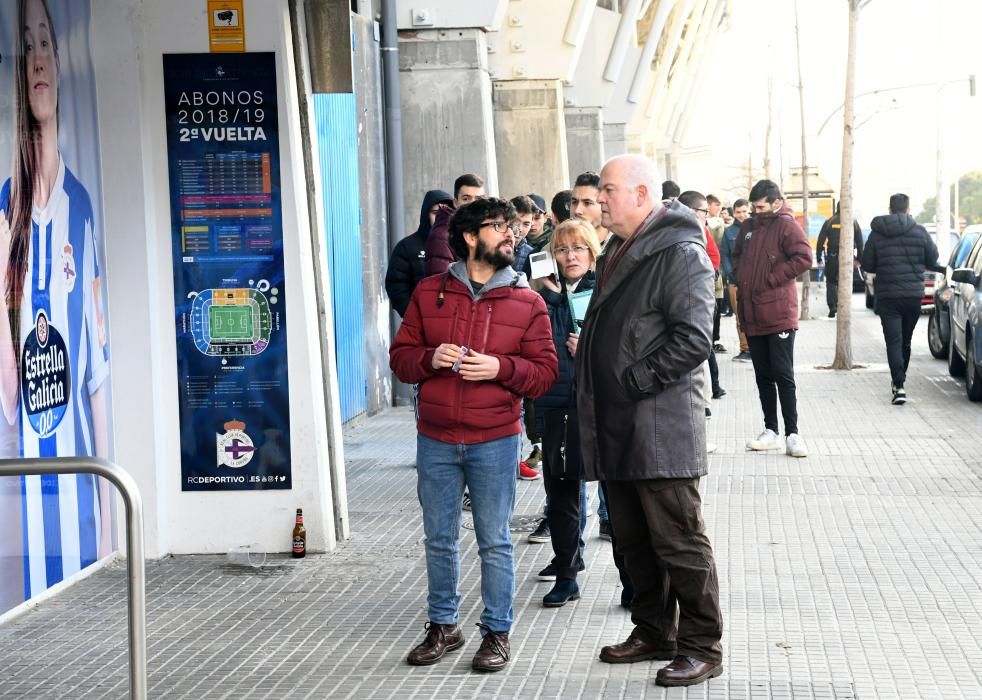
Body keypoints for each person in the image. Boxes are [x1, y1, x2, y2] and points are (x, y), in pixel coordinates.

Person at [390, 197, 558, 672]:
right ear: (469, 237)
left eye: (512, 226)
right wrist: (428, 358)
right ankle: (444, 625)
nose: (510, 234)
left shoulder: (528, 302)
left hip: (496, 438)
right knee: (438, 538)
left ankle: (497, 633)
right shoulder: (428, 292)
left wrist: (500, 368)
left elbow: (544, 373)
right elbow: (401, 360)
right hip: (436, 438)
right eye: (498, 227)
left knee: (495, 539)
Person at [578, 155, 724, 688]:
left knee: (679, 542)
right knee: (633, 542)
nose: (600, 200)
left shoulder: (680, 253)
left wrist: (633, 380)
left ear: (642, 194)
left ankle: (703, 644)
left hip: (659, 427)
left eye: (609, 190)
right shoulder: (619, 247)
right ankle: (653, 629)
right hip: (620, 424)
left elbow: (694, 339)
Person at [0, 0, 113, 597]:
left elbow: (96, 364)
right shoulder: (3, 207)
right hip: (19, 476)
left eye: (45, 42)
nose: (36, 59)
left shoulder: (82, 207)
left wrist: (116, 515)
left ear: (62, 62)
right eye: (25, 47)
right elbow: (9, 396)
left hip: (79, 480)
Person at [533, 218, 601, 608]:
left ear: (592, 254)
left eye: (578, 248)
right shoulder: (543, 298)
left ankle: (632, 578)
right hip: (558, 404)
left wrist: (589, 350)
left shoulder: (607, 291)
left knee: (616, 495)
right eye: (562, 249)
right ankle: (567, 572)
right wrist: (551, 297)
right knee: (561, 493)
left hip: (602, 405)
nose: (570, 255)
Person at [732, 180, 812, 458]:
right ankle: (771, 430)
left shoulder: (787, 225)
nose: (755, 212)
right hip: (751, 312)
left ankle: (793, 433)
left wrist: (772, 279)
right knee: (763, 375)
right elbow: (737, 256)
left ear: (776, 202)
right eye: (753, 207)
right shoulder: (748, 228)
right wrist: (742, 277)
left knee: (783, 373)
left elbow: (804, 258)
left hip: (778, 313)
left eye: (761, 207)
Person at [860, 193, 942, 405]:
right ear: (908, 209)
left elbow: (867, 265)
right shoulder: (919, 231)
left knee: (893, 341)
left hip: (887, 296)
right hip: (913, 295)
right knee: (905, 340)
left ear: (890, 209)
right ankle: (900, 381)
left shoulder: (877, 234)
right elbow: (932, 259)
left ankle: (899, 385)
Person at [385, 189, 453, 317]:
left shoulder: (461, 246)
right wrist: (413, 317)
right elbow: (396, 286)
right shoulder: (407, 246)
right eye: (436, 213)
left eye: (446, 214)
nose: (441, 218)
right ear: (426, 215)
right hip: (419, 323)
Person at [423, 173, 485, 276]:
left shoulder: (484, 230)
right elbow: (440, 284)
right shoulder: (442, 236)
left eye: (479, 199)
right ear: (455, 203)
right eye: (466, 199)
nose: (473, 204)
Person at [816, 203, 864, 318]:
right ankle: (844, 306)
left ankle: (832, 306)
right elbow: (860, 242)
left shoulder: (829, 222)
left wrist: (819, 258)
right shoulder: (853, 222)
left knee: (831, 282)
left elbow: (820, 241)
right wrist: (859, 259)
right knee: (846, 281)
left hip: (832, 257)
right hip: (848, 257)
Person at [720, 199, 752, 361]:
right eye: (738, 212)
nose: (741, 215)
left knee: (756, 315)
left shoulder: (757, 229)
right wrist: (730, 273)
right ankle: (745, 349)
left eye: (744, 211)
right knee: (740, 316)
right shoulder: (729, 232)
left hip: (755, 281)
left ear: (749, 210)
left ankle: (758, 348)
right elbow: (724, 254)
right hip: (735, 282)